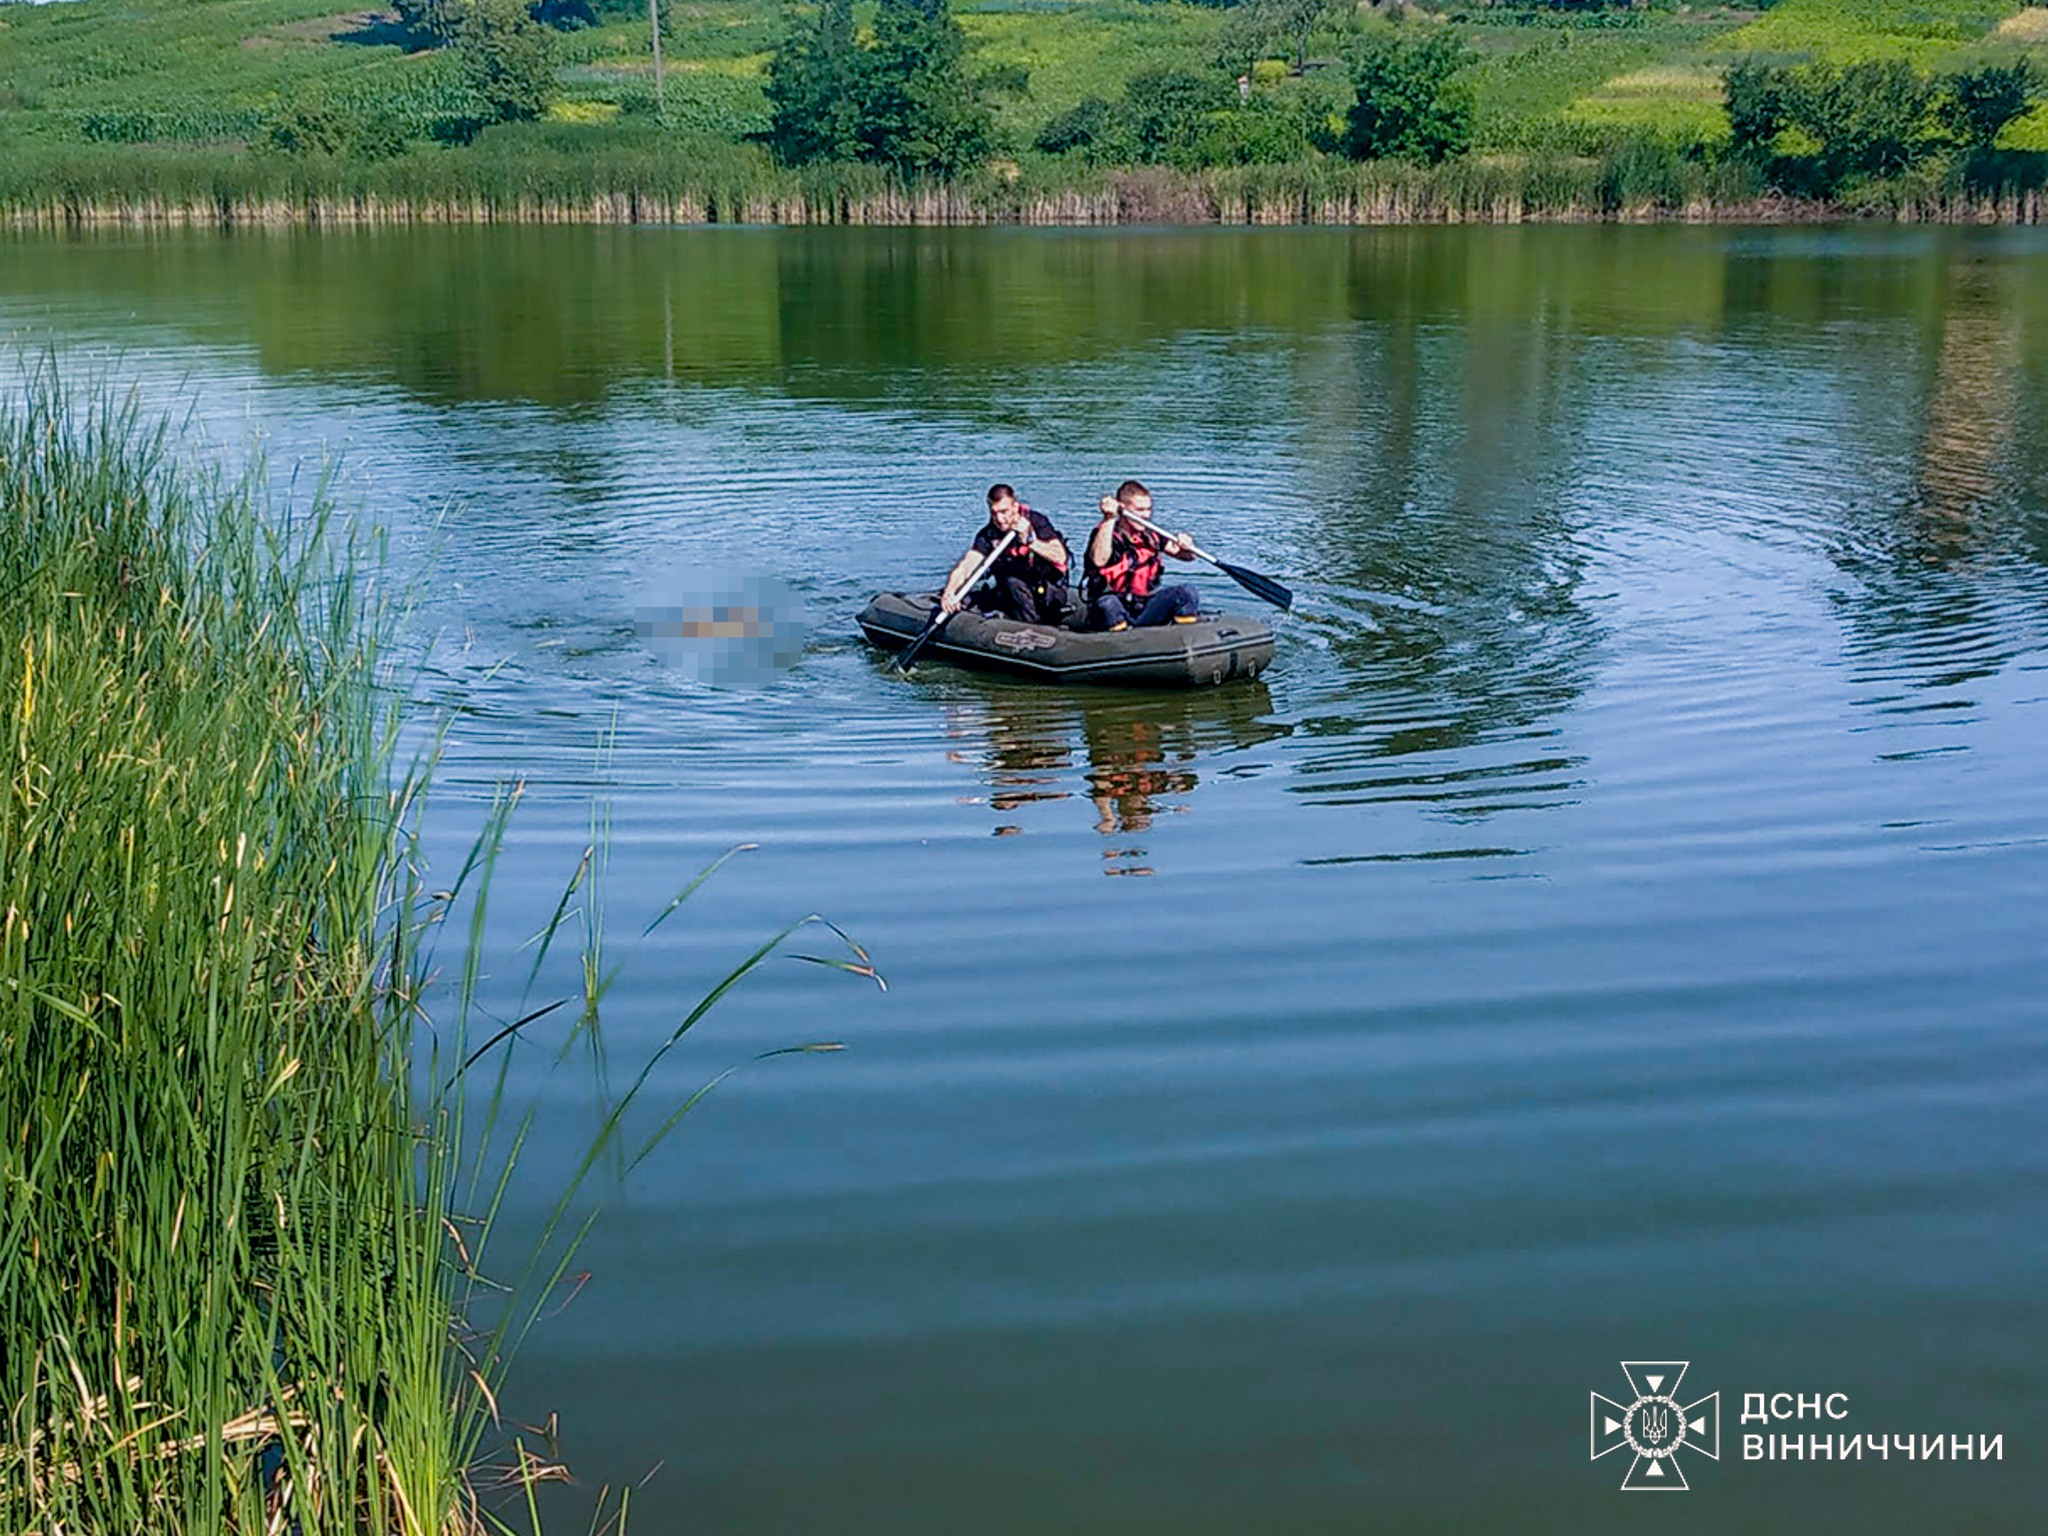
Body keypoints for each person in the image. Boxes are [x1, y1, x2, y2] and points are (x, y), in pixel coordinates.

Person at [939, 484, 1071, 625]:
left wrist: (1030, 542)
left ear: (1015, 507)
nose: (1000, 519)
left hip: (1045, 592)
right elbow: (967, 565)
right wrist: (950, 592)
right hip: (1011, 594)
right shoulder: (988, 535)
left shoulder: (1037, 523)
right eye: (994, 513)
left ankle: (1032, 627)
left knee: (1013, 582)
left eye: (1004, 512)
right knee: (997, 588)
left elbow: (1060, 556)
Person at [1084, 479, 1200, 631]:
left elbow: (1187, 557)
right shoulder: (1106, 535)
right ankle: (1121, 645)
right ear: (1123, 509)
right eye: (1140, 510)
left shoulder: (1151, 536)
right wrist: (1109, 518)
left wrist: (1188, 546)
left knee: (1186, 592)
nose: (1146, 515)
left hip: (1143, 607)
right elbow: (1099, 560)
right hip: (1111, 609)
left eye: (1148, 509)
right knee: (1108, 604)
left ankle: (1185, 640)